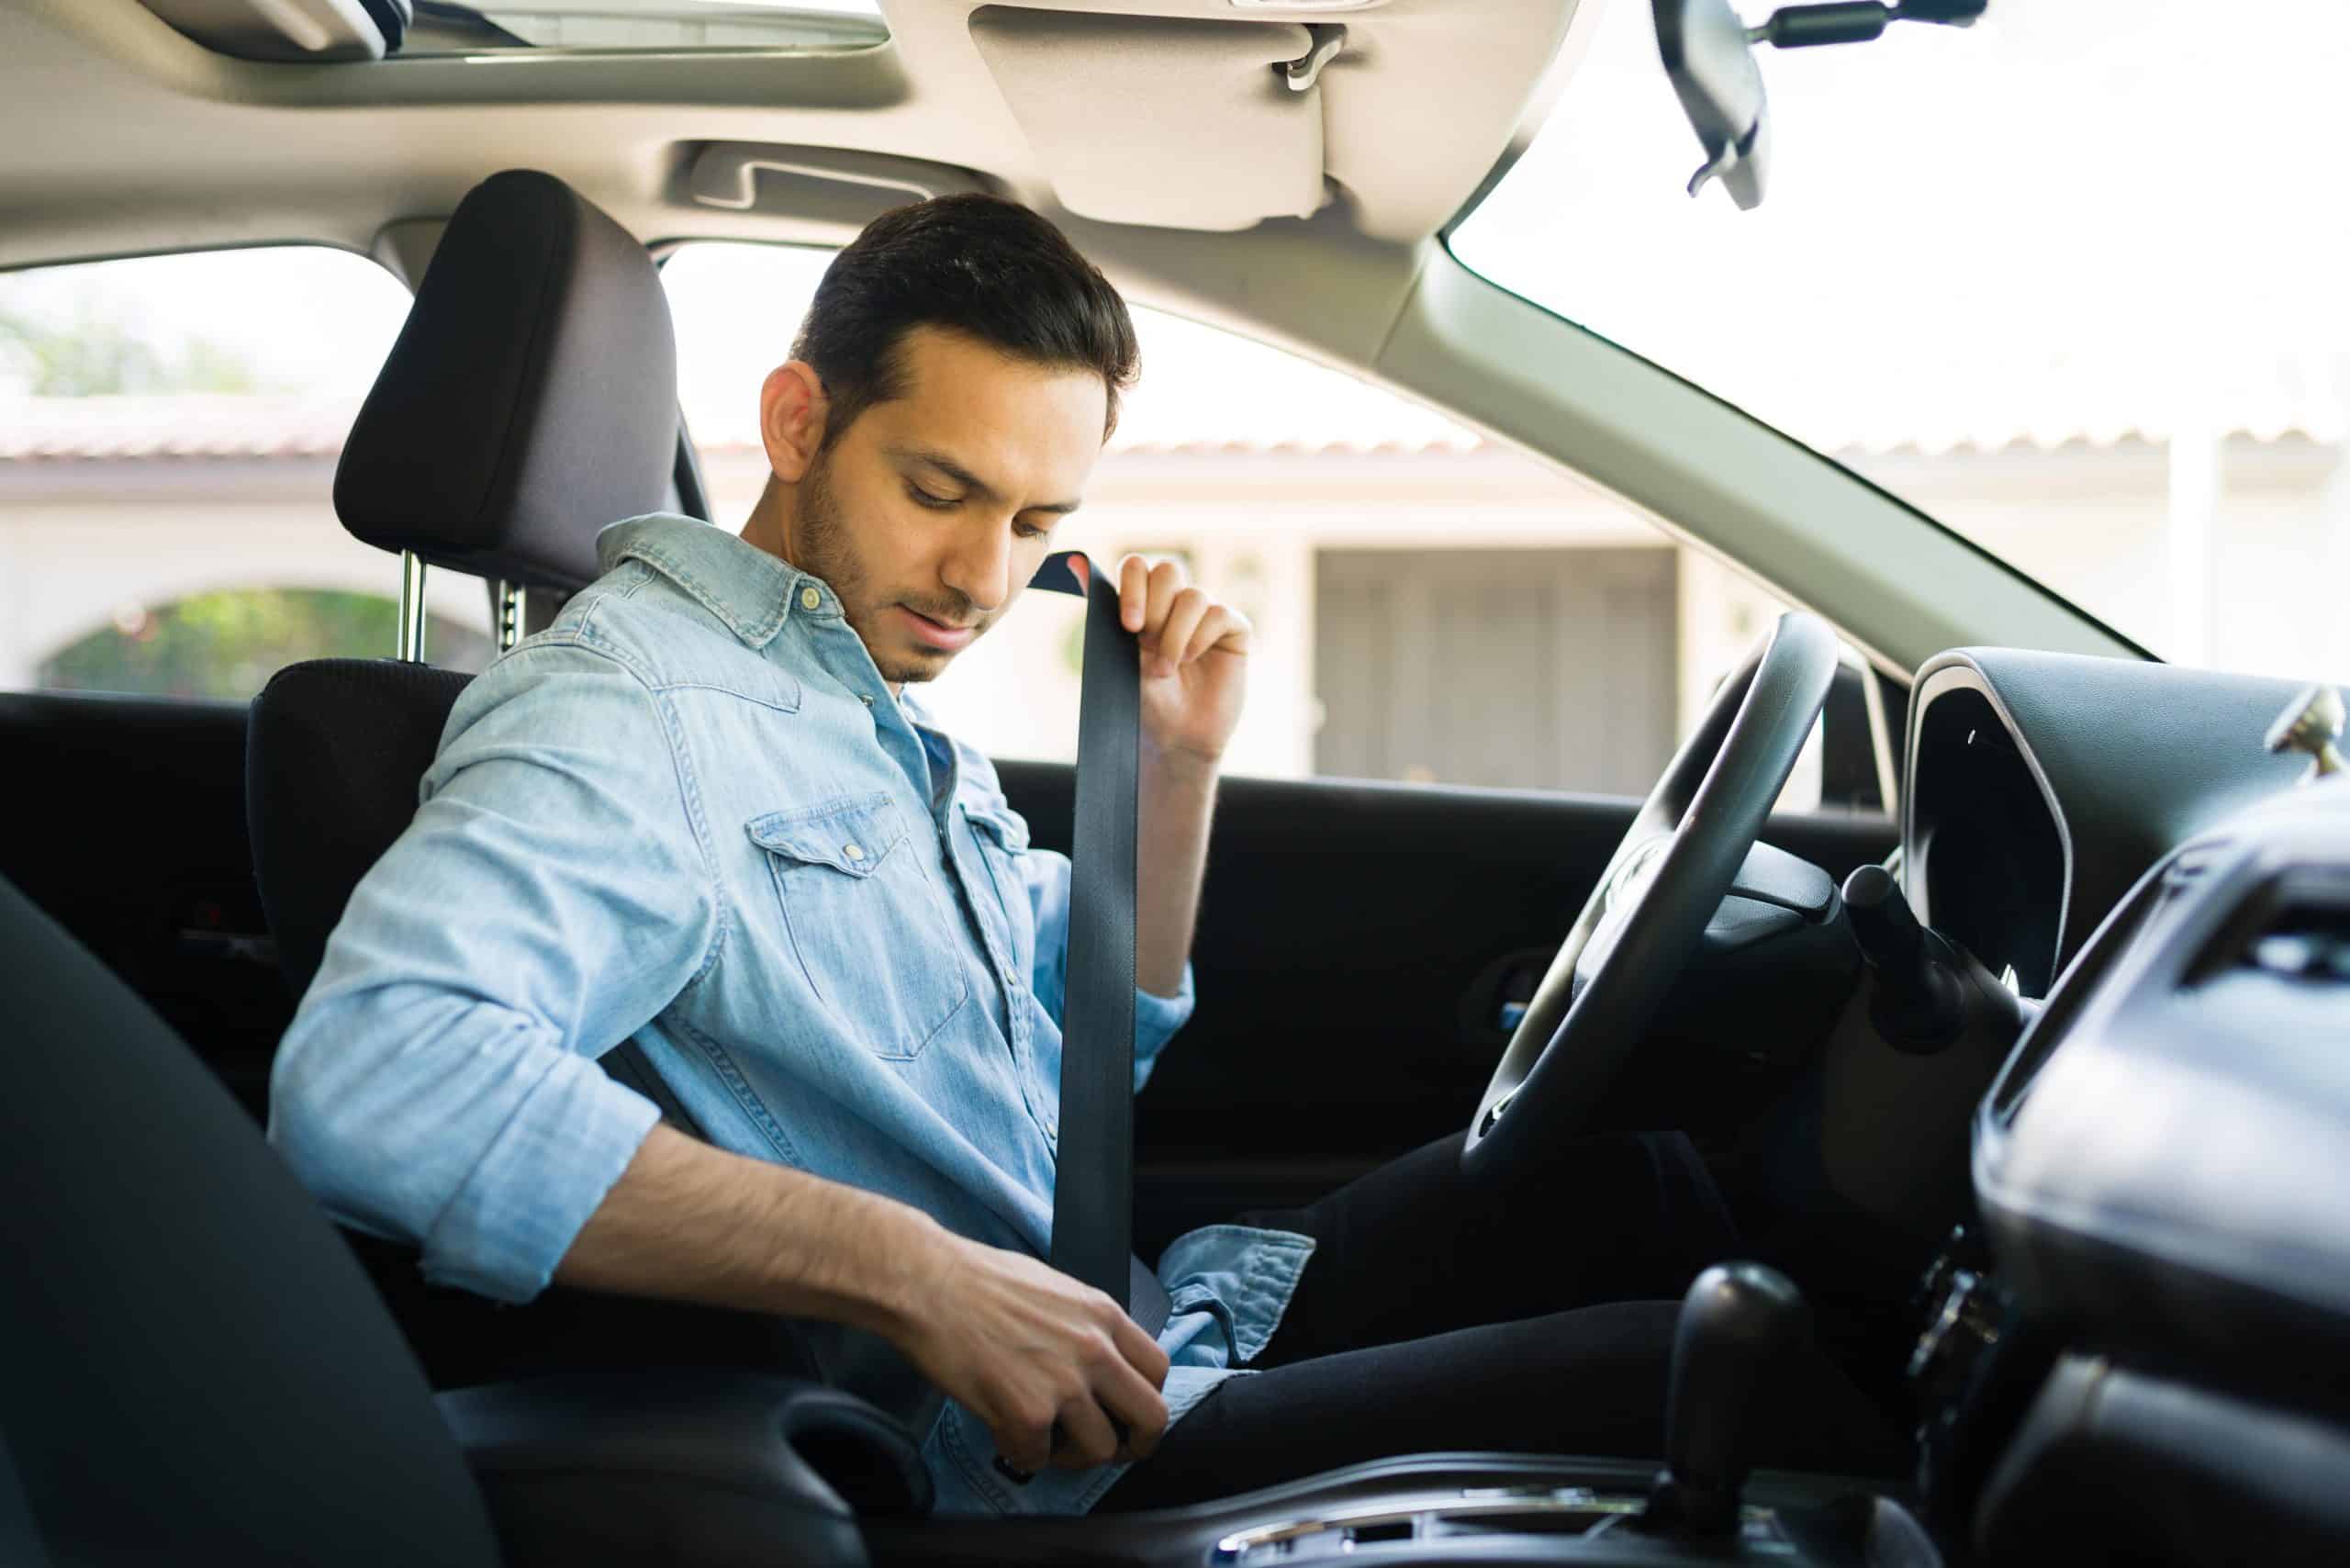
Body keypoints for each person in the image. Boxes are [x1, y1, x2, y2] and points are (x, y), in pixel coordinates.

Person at [269, 194, 1899, 1518]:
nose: (985, 578)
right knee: (1740, 1376)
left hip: (1146, 1308)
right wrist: (909, 1274)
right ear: (795, 420)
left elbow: (1069, 1094)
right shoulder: (628, 717)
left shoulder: (848, 694)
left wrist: (1176, 772)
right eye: (940, 490)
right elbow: (379, 1081)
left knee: (1654, 1194)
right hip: (1044, 1463)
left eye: (1040, 523)